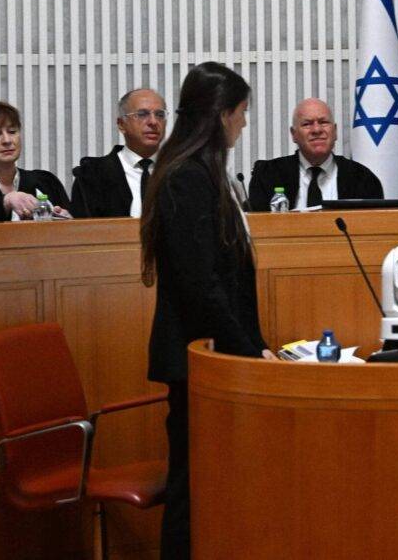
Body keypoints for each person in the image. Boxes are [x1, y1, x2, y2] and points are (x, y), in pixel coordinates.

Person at [141, 62, 274, 559]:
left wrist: (255, 345)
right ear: (221, 115)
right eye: (241, 114)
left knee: (211, 488)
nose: (243, 124)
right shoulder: (184, 178)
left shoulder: (207, 173)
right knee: (191, 491)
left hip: (217, 356)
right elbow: (202, 285)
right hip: (199, 359)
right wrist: (251, 352)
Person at [247, 98, 383, 210]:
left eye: (323, 122)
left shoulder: (363, 179)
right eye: (307, 124)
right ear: (294, 134)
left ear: (335, 131)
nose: (317, 129)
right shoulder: (267, 176)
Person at [70, 88, 167, 217]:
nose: (153, 122)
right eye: (142, 114)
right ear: (121, 124)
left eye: (160, 115)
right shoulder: (92, 175)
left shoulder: (181, 170)